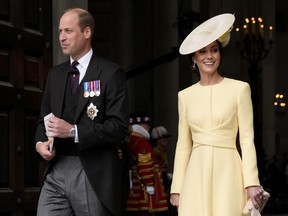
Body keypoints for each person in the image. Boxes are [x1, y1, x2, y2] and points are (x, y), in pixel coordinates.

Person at [34, 8, 128, 216]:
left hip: (92, 171)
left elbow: (119, 127)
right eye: (60, 32)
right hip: (56, 170)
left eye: (68, 31)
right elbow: (44, 120)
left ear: (87, 33)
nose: (62, 37)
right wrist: (40, 143)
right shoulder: (55, 74)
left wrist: (74, 131)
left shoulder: (111, 73)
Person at [169, 13, 265, 216]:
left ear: (220, 54)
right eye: (202, 51)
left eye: (214, 50)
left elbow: (247, 139)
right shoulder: (184, 96)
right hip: (196, 172)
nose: (209, 56)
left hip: (229, 169)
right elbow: (183, 145)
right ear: (194, 59)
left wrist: (251, 182)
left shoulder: (240, 89)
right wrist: (176, 187)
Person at [126, 112, 168, 216]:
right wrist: (149, 184)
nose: (148, 127)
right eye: (146, 124)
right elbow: (145, 165)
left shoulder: (130, 139)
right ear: (139, 125)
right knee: (144, 211)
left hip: (134, 183)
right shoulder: (141, 142)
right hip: (142, 186)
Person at [151, 126, 173, 216]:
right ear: (158, 140)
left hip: (163, 177)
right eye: (163, 139)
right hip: (157, 179)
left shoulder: (163, 151)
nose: (166, 141)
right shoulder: (155, 152)